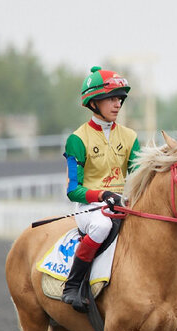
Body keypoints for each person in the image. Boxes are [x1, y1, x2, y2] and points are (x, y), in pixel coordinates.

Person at [60, 66, 141, 311]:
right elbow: (73, 190)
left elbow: (138, 178)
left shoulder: (130, 137)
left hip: (122, 204)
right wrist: (104, 195)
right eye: (111, 98)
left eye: (120, 99)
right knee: (102, 225)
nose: (117, 104)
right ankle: (72, 286)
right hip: (90, 208)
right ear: (93, 102)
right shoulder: (77, 139)